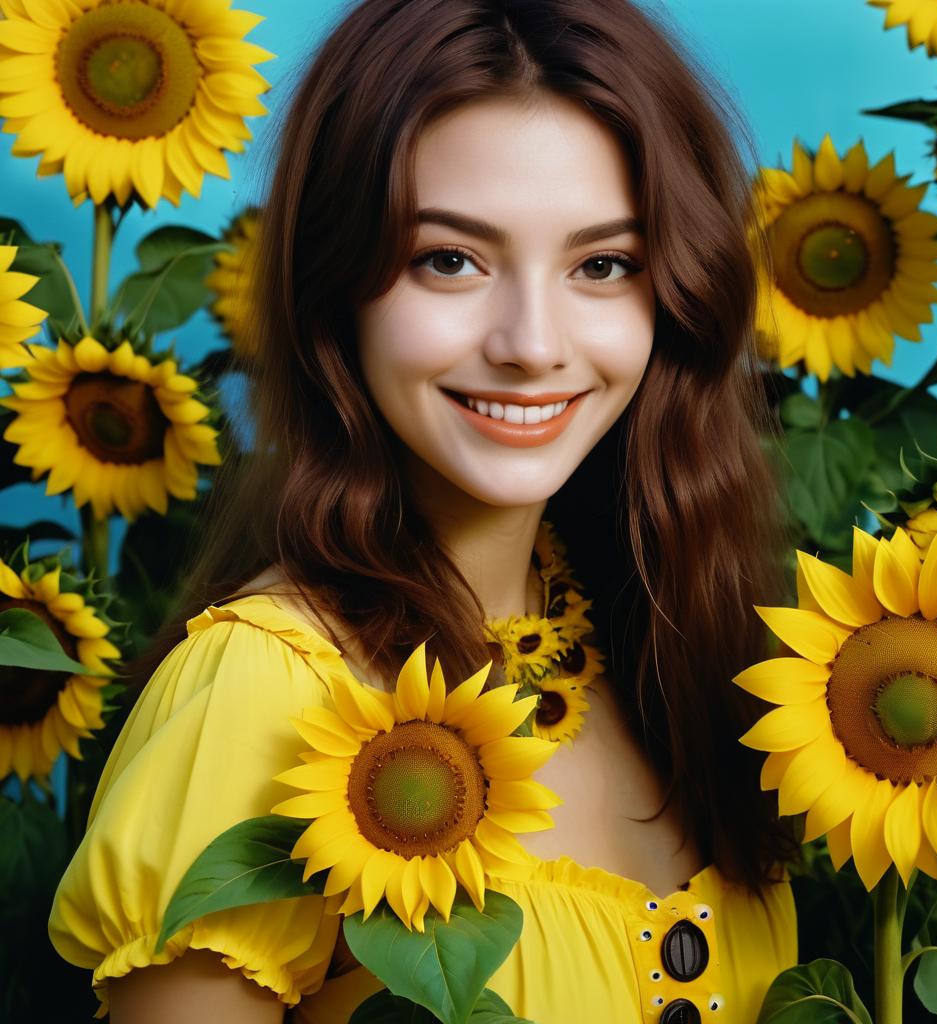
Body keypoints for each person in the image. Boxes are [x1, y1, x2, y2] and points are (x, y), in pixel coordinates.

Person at [49, 1, 800, 1021]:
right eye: (449, 259)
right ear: (334, 293)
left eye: (602, 264)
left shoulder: (675, 652)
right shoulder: (258, 693)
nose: (532, 342)